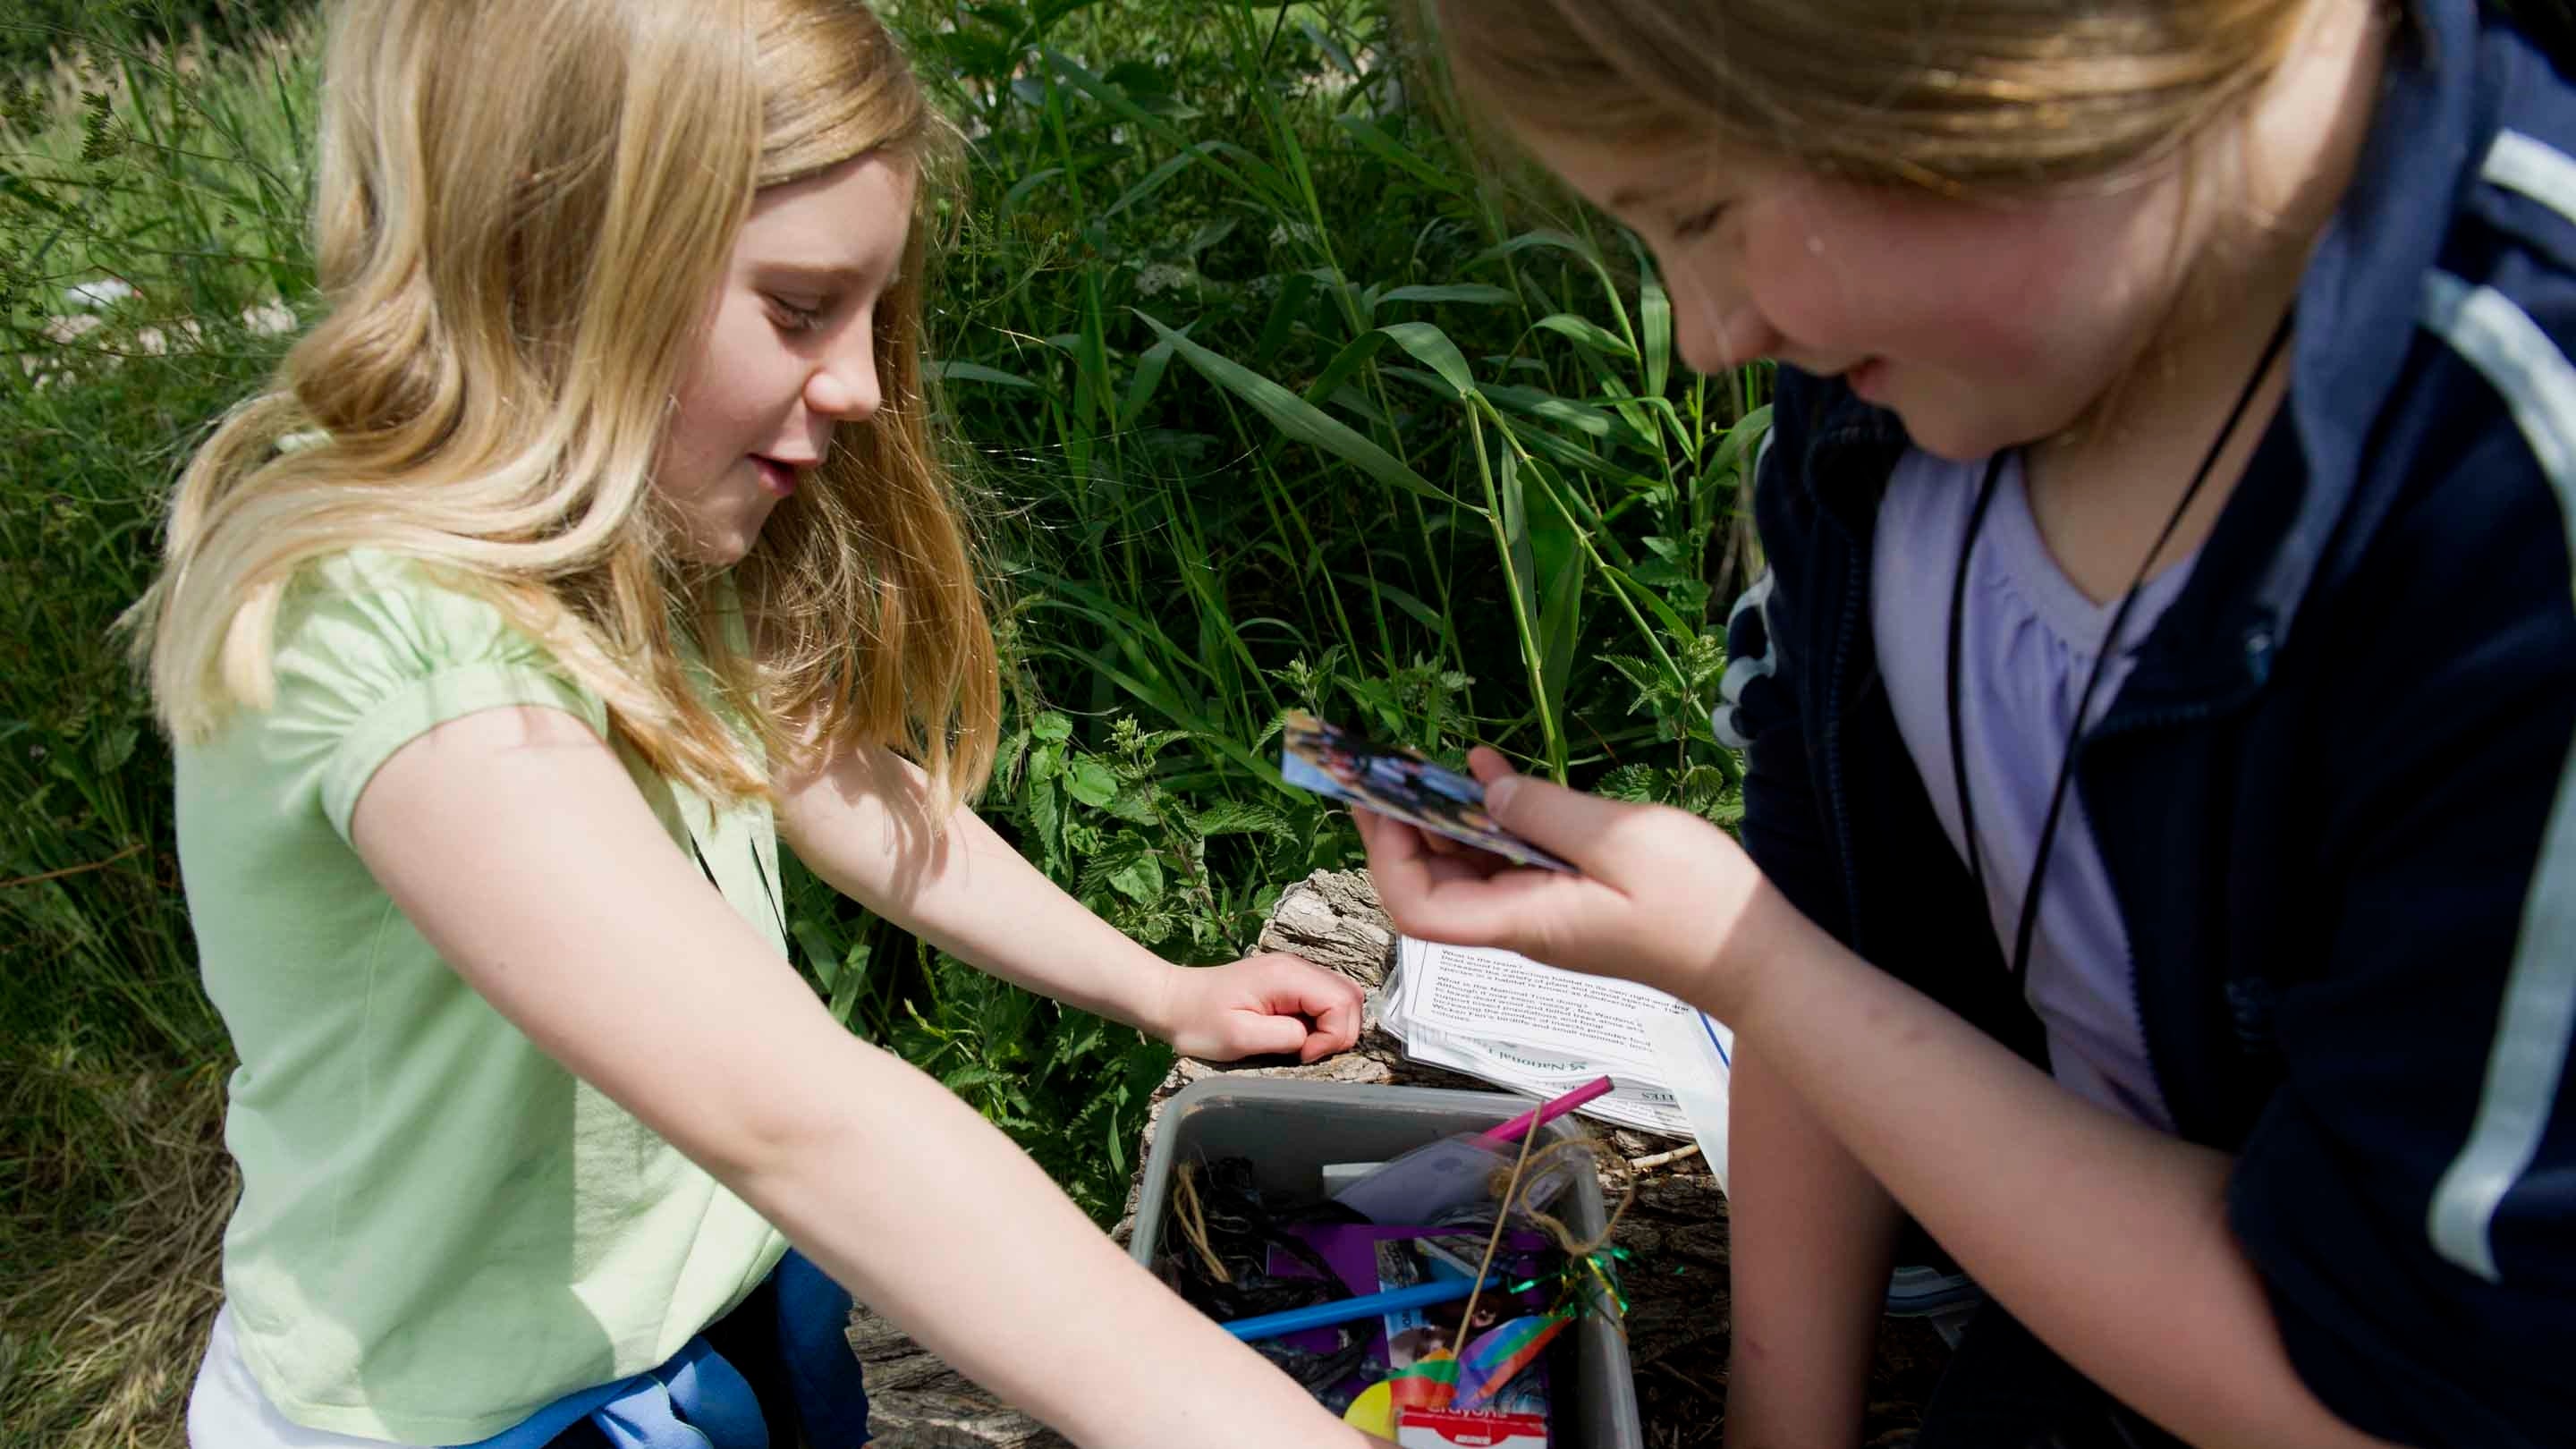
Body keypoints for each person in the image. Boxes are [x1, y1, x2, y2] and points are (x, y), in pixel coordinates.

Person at [131, 3, 1381, 1445]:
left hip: (707, 1308)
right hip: (466, 1413)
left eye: (867, 312)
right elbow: (803, 1123)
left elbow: (819, 768)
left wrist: (1156, 989)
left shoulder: (611, 525)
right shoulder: (385, 621)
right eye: (797, 309)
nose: (856, 382)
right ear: (562, 250)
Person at [1363, 0, 2576, 1445]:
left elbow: (2401, 1381)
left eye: (1703, 210)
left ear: (2009, 73)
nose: (1706, 336)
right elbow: (1840, 900)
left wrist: (1755, 968)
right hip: (2086, 1303)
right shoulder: (1898, 391)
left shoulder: (2510, 513)